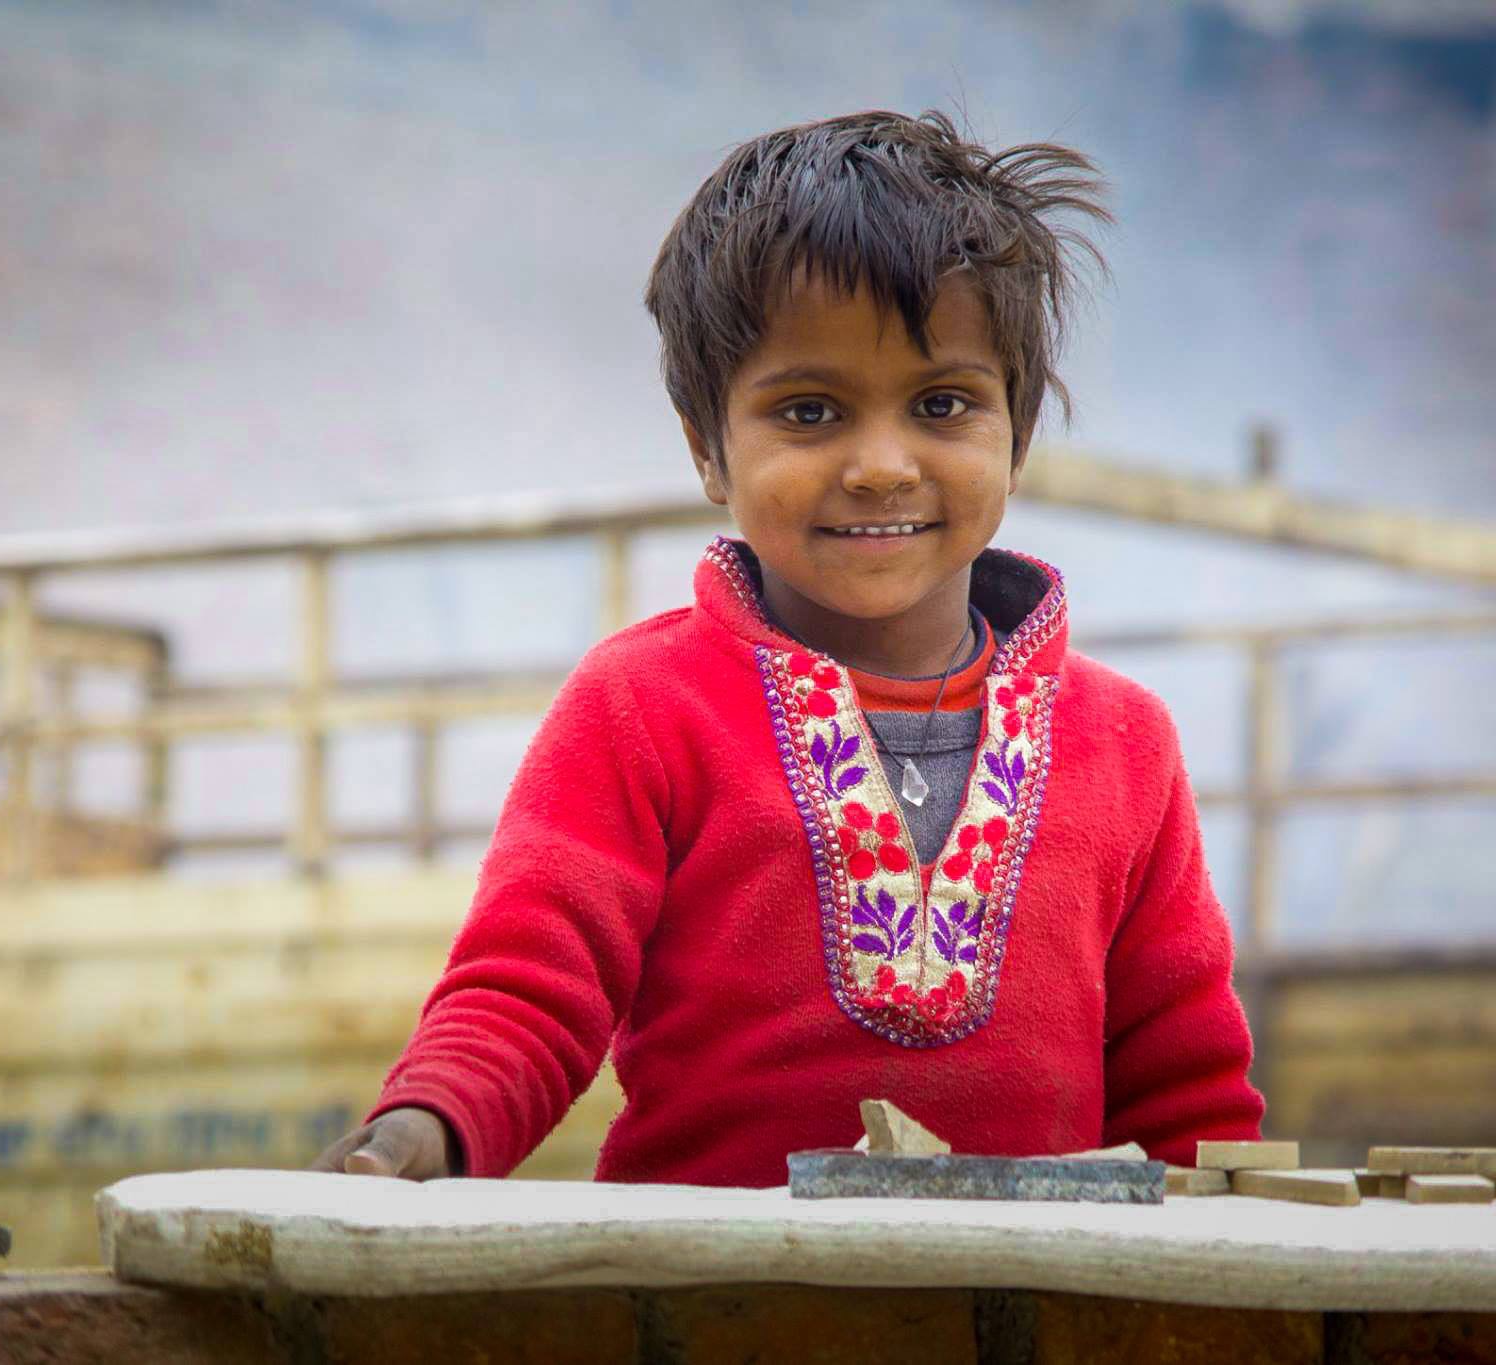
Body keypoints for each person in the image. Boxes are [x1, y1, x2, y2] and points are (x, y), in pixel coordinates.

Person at [314, 110, 1264, 1185]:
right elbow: (530, 990)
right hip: (702, 1301)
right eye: (808, 412)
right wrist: (418, 1136)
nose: (878, 466)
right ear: (707, 450)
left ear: (1019, 435)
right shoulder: (642, 706)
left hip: (1036, 1312)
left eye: (941, 403)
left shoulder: (1124, 743)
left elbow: (1183, 1084)